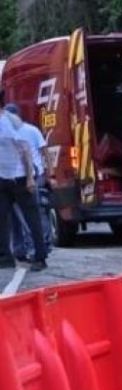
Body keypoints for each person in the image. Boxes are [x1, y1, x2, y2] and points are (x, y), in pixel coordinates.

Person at [0, 97, 46, 271]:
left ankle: (40, 257)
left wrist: (29, 178)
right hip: (3, 178)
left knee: (31, 218)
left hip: (20, 177)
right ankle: (4, 257)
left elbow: (26, 151)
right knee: (2, 218)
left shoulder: (10, 124)